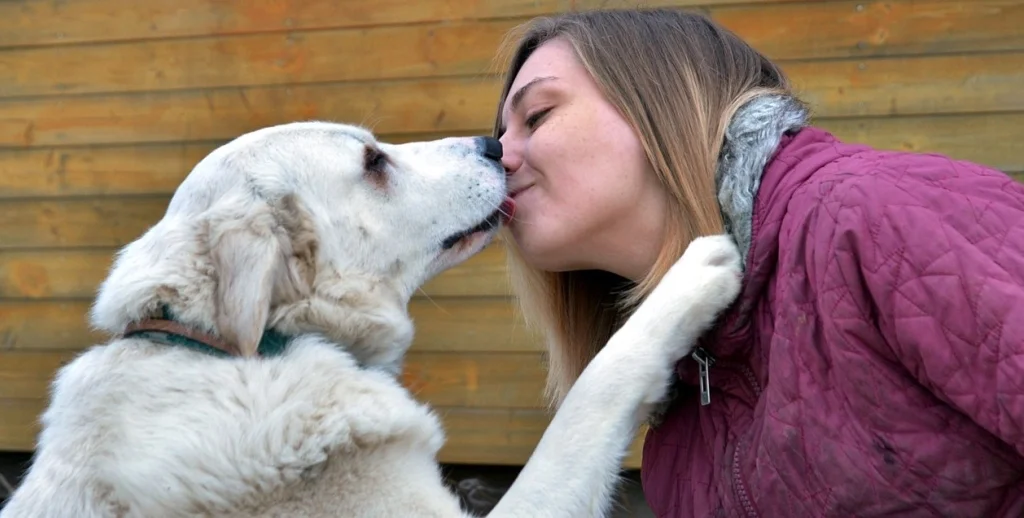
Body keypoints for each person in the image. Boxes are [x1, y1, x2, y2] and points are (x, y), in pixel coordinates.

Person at [490, 7, 1024, 517]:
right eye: (499, 136)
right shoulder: (678, 436)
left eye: (536, 116)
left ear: (660, 105)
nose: (498, 158)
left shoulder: (873, 217)